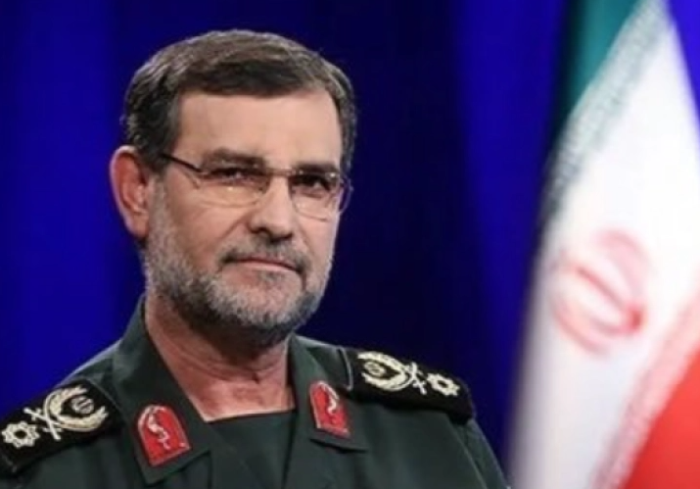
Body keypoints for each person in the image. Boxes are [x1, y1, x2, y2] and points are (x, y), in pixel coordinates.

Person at [0, 29, 508, 489]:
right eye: (233, 174)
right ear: (138, 191)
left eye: (312, 183)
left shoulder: (432, 437)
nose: (278, 220)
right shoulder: (44, 472)